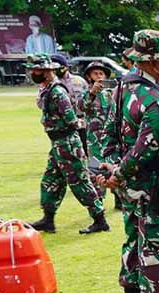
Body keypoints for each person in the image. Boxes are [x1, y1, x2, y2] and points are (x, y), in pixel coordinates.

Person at [99, 30, 159, 293]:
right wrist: (118, 174)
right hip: (150, 183)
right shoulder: (155, 100)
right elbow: (144, 148)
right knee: (156, 242)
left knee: (133, 237)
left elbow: (109, 134)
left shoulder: (122, 89)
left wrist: (111, 170)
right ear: (151, 62)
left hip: (128, 185)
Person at [25, 54, 108, 235]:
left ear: (47, 71)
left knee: (79, 182)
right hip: (57, 144)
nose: (32, 73)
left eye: (36, 70)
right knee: (51, 180)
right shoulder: (47, 89)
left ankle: (100, 219)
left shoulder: (57, 92)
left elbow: (71, 120)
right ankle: (48, 219)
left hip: (67, 143)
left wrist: (56, 127)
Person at [82, 61, 116, 206]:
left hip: (112, 138)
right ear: (89, 76)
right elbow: (81, 108)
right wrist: (92, 93)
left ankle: (119, 200)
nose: (98, 76)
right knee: (96, 171)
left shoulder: (112, 93)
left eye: (101, 73)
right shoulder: (87, 94)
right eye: (95, 73)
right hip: (94, 140)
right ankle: (99, 203)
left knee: (115, 166)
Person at [50, 54, 89, 154]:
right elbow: (41, 104)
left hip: (81, 122)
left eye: (58, 68)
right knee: (64, 151)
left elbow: (88, 100)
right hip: (62, 125)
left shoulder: (79, 81)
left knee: (84, 149)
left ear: (65, 67)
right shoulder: (51, 84)